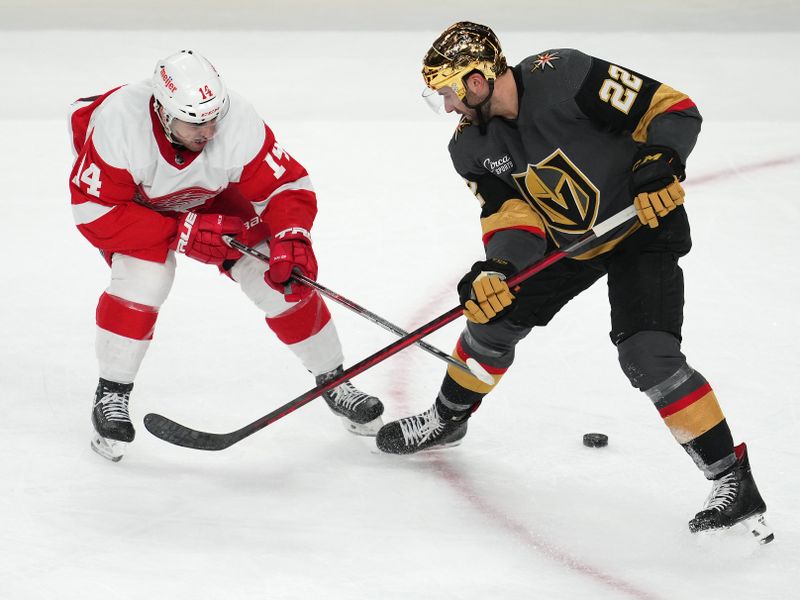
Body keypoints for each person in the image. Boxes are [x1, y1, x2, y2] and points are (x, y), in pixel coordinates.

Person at [375, 22, 771, 541]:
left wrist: (661, 162)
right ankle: (449, 417)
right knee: (490, 317)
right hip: (570, 241)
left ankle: (732, 481)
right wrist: (499, 269)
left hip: (640, 223)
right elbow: (511, 216)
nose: (448, 106)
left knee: (648, 355)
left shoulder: (564, 74)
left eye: (448, 92)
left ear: (476, 80)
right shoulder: (470, 146)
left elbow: (670, 108)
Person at [70, 50, 383, 462]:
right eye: (196, 122)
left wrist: (293, 235)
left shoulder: (236, 119)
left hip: (210, 196)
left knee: (280, 278)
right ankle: (111, 393)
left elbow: (286, 185)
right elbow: (94, 212)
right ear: (164, 113)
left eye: (215, 116)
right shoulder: (119, 124)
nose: (211, 130)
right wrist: (179, 232)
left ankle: (335, 380)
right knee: (145, 279)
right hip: (135, 206)